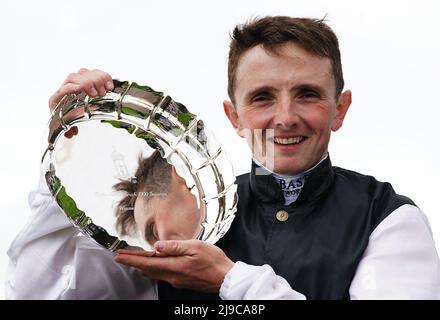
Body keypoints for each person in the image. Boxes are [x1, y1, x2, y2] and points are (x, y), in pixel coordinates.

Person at [6, 16, 440, 300]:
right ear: (233, 116)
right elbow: (38, 292)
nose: (285, 118)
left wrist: (229, 280)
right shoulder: (183, 212)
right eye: (262, 97)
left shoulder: (386, 219)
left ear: (339, 108)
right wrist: (65, 152)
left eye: (307, 94)